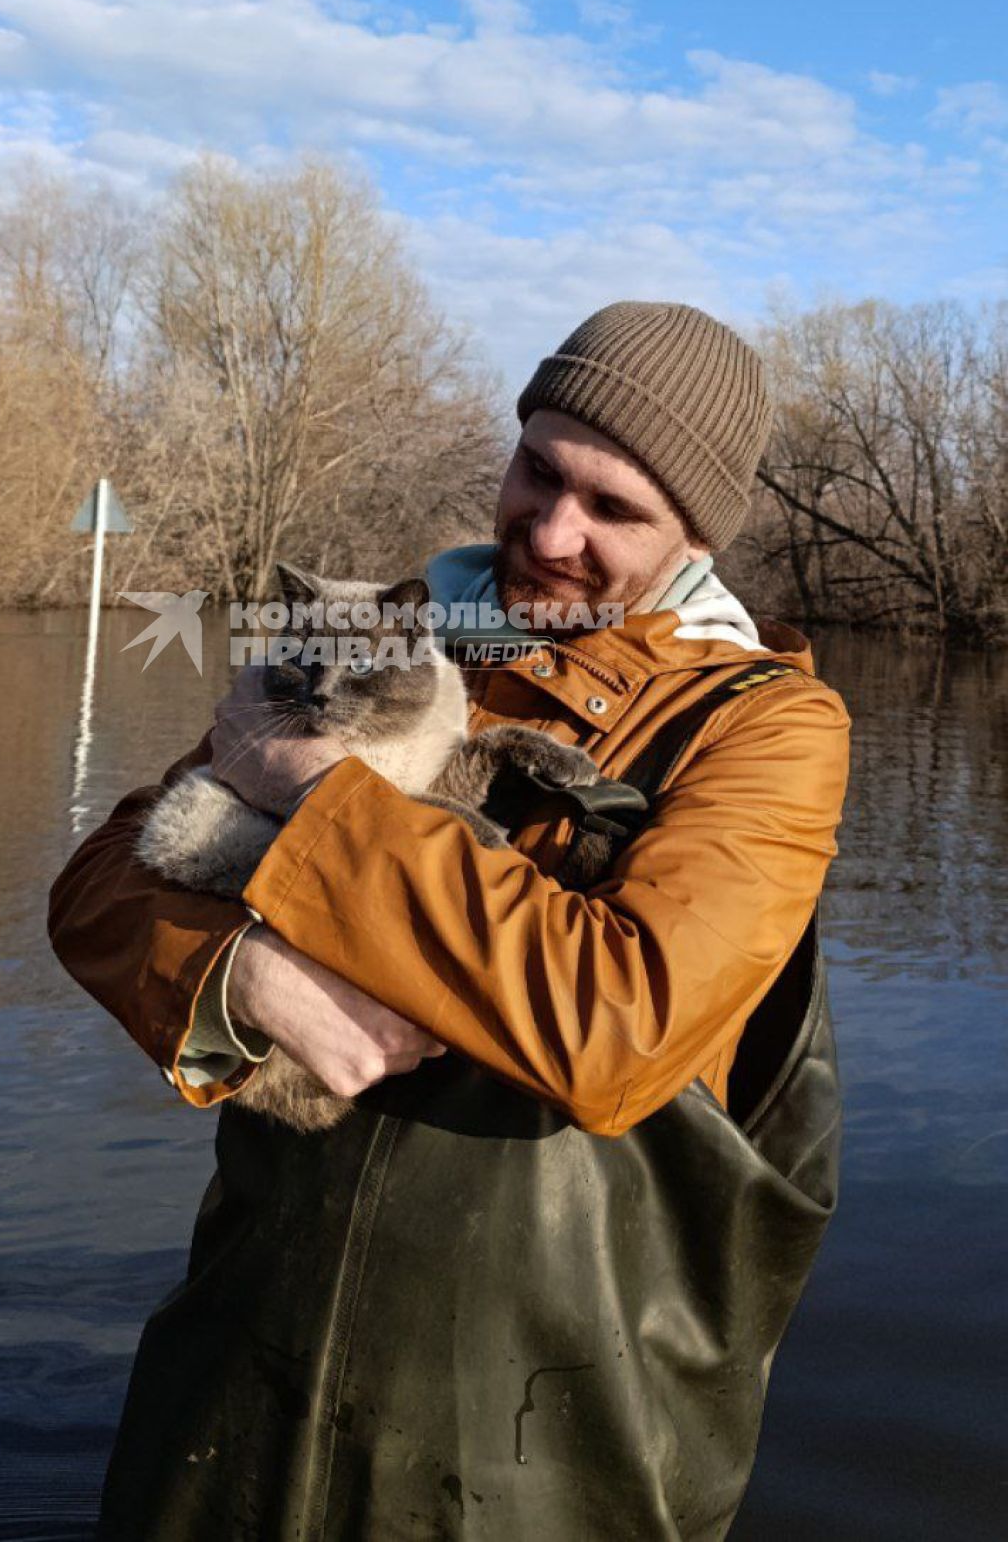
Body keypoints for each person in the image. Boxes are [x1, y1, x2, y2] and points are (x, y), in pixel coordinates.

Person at [49, 301, 852, 1540]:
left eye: (613, 509)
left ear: (695, 536)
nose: (549, 529)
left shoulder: (765, 729)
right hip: (235, 1401)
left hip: (543, 1454)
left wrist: (311, 794)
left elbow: (616, 1027)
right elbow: (101, 878)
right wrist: (239, 973)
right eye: (537, 468)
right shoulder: (383, 635)